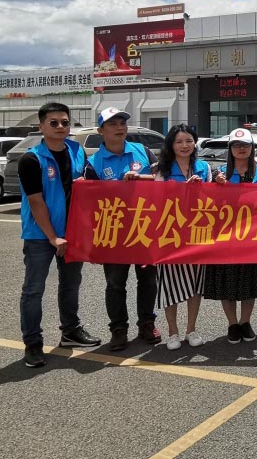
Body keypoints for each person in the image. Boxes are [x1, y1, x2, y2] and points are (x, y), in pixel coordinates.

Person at [18, 102, 100, 367]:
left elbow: (89, 185)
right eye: (53, 123)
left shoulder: (76, 151)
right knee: (33, 289)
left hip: (72, 233)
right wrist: (53, 237)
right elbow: (36, 201)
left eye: (65, 122)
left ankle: (70, 331)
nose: (61, 127)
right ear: (41, 126)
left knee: (71, 284)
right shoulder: (31, 159)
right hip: (40, 235)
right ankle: (32, 343)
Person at [83, 107, 160, 352]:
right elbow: (89, 204)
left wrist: (141, 179)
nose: (119, 127)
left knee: (147, 280)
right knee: (115, 283)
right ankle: (118, 329)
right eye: (113, 124)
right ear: (101, 131)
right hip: (113, 231)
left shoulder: (143, 151)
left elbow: (162, 182)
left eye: (122, 123)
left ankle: (147, 323)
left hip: (145, 228)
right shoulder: (93, 163)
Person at [207, 128, 257, 344]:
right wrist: (215, 184)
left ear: (252, 148)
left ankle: (245, 322)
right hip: (225, 238)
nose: (241, 149)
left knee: (250, 282)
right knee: (227, 282)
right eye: (236, 145)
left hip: (252, 236)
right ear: (230, 149)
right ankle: (232, 323)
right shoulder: (220, 174)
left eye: (245, 145)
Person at [154, 124, 210, 350]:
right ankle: (172, 332)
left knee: (195, 284)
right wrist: (182, 191)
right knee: (170, 285)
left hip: (197, 232)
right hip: (170, 234)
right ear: (171, 145)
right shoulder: (162, 169)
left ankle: (191, 329)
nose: (184, 146)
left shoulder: (204, 167)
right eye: (179, 142)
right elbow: (156, 200)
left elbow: (213, 200)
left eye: (189, 141)